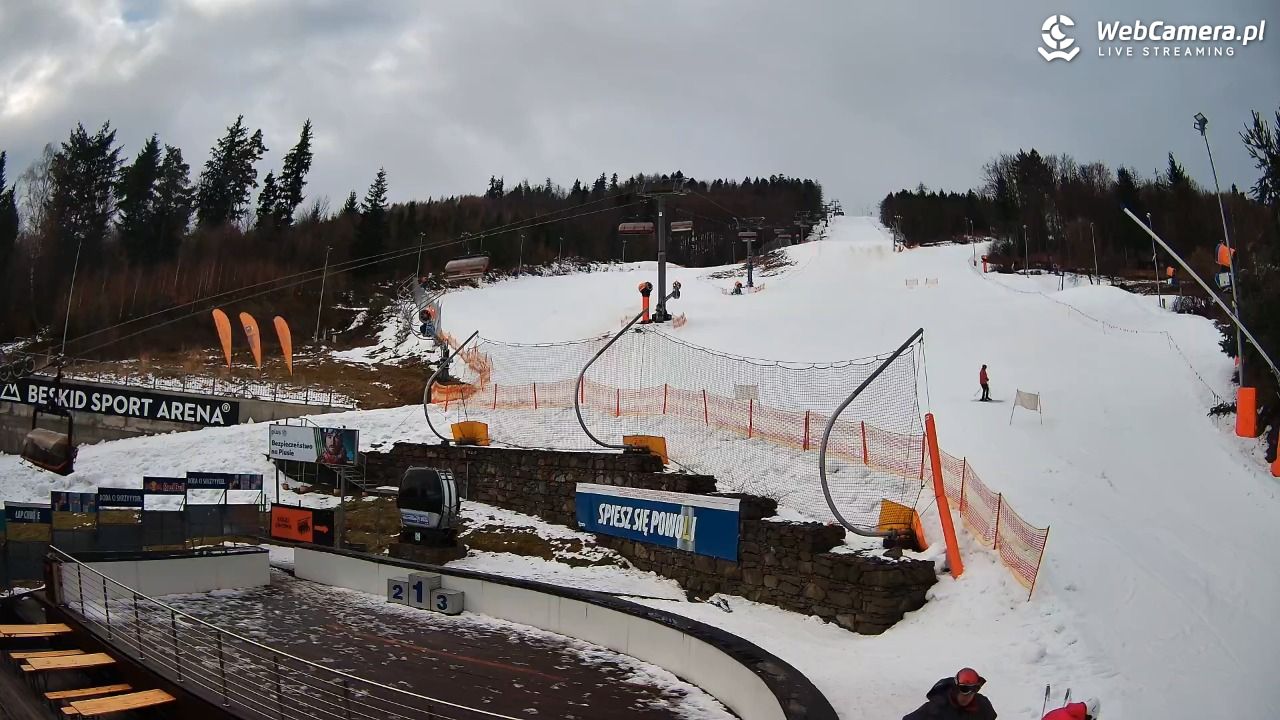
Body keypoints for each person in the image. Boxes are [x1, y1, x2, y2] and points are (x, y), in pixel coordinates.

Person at [902, 667, 997, 719]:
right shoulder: (938, 706)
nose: (967, 697)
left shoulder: (983, 705)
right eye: (964, 691)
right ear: (956, 688)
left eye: (972, 692)